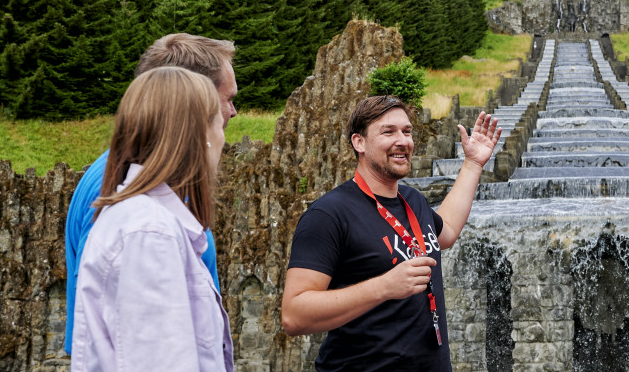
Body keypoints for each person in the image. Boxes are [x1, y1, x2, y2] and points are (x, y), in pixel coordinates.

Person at [282, 96, 501, 371]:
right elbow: (294, 315)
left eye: (407, 132)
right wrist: (384, 287)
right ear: (358, 142)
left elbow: (448, 232)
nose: (403, 141)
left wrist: (472, 164)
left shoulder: (414, 201)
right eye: (388, 131)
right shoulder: (328, 215)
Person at [63, 33, 238, 354]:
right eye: (227, 99)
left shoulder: (150, 186)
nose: (233, 112)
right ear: (189, 100)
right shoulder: (139, 219)